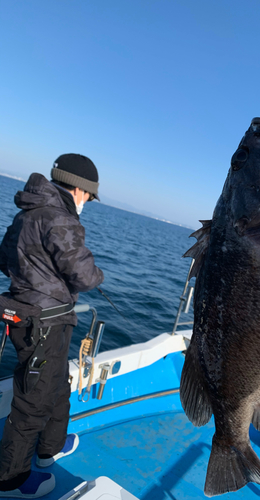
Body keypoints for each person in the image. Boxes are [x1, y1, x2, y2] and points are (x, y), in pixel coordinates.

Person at [0, 154, 104, 498]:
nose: (87, 201)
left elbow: (5, 259)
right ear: (78, 189)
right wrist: (98, 274)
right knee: (33, 402)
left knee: (57, 384)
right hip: (45, 323)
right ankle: (12, 481)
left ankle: (49, 449)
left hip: (27, 317)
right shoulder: (61, 218)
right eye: (88, 195)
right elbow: (85, 276)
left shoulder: (26, 212)